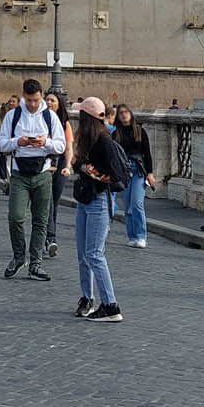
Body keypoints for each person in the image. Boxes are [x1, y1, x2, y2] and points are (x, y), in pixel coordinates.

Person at [0, 78, 65, 280]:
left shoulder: (50, 117)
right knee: (15, 217)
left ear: (41, 95)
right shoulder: (13, 115)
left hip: (43, 172)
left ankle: (36, 263)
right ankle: (19, 256)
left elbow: (61, 146)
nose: (32, 104)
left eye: (35, 100)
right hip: (19, 173)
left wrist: (46, 143)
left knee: (41, 220)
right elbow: (1, 145)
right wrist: (17, 142)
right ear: (23, 96)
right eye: (29, 100)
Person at [71, 96, 127, 321]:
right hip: (85, 199)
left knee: (94, 253)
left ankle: (111, 306)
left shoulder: (104, 141)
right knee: (83, 254)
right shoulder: (89, 139)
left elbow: (116, 176)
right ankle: (87, 297)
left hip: (99, 201)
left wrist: (86, 168)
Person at [111, 104, 156, 247]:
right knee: (128, 205)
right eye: (121, 113)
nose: (124, 115)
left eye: (126, 112)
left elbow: (147, 153)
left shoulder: (140, 131)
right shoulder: (115, 134)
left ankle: (141, 235)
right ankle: (132, 235)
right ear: (118, 116)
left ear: (130, 114)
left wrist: (150, 172)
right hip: (123, 171)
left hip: (138, 169)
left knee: (137, 204)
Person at [44, 88, 72, 257]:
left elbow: (69, 147)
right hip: (45, 163)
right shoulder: (39, 119)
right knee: (48, 202)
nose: (49, 103)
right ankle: (51, 238)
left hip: (60, 162)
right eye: (47, 100)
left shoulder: (64, 123)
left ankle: (47, 237)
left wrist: (67, 165)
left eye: (52, 100)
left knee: (54, 201)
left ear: (59, 104)